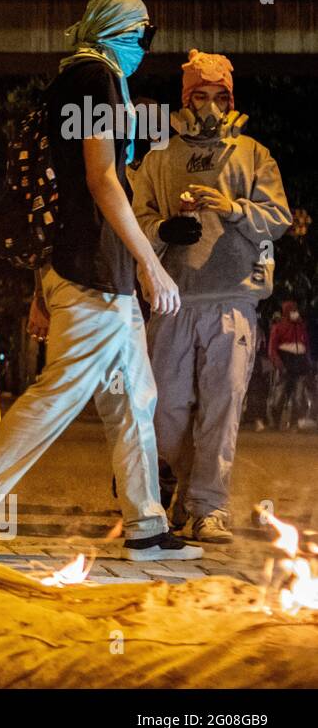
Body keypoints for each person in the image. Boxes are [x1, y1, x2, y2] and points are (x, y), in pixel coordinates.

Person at [0, 0, 201, 562]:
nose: (145, 49)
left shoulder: (74, 81)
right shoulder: (94, 78)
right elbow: (102, 179)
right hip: (94, 270)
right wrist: (152, 266)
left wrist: (42, 286)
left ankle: (147, 524)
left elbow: (58, 190)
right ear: (116, 30)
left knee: (134, 400)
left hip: (93, 270)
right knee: (61, 392)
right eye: (142, 35)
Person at [131, 50, 291, 543]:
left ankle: (208, 507)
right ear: (185, 100)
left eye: (219, 97)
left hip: (234, 300)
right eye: (199, 96)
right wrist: (163, 229)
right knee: (168, 409)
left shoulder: (254, 155)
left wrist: (235, 209)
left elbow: (279, 219)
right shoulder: (158, 158)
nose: (209, 106)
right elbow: (134, 221)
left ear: (231, 100)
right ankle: (184, 488)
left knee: (222, 408)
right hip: (172, 300)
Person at [268, 300, 313, 429]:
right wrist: (280, 365)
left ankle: (294, 423)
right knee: (279, 394)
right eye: (293, 310)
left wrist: (307, 362)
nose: (295, 312)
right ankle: (275, 423)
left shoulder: (301, 326)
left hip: (300, 364)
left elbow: (306, 346)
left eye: (296, 310)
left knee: (299, 396)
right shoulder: (279, 327)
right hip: (285, 362)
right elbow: (272, 349)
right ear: (287, 311)